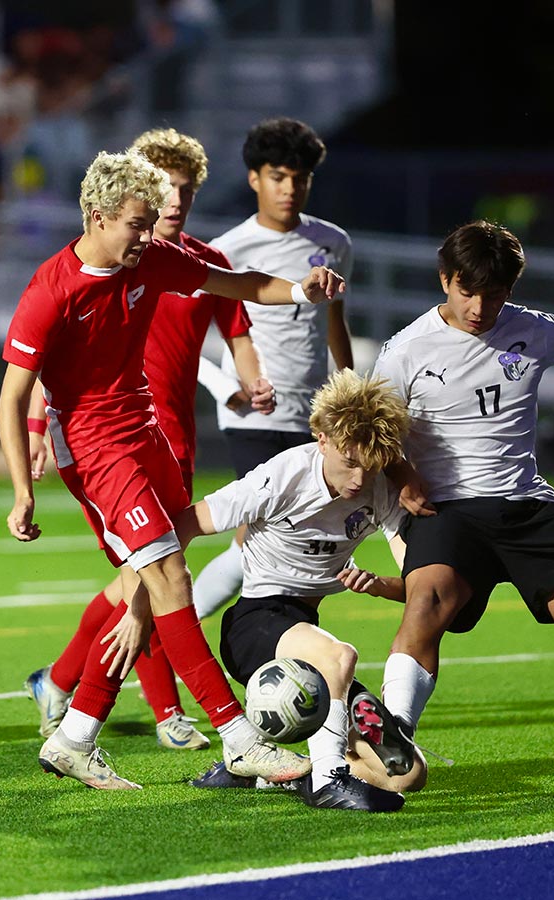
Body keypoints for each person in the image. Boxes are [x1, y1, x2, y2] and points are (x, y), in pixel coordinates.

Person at [0, 147, 344, 790]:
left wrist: (301, 288)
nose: (149, 231)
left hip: (147, 430)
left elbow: (237, 285)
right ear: (98, 216)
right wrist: (23, 490)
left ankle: (74, 735)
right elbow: (13, 395)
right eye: (137, 221)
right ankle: (238, 738)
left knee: (146, 592)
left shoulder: (150, 256)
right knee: (168, 577)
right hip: (98, 450)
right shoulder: (50, 289)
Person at [23, 127, 275, 753]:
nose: (174, 202)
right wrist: (35, 430)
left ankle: (63, 692)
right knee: (155, 578)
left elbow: (237, 318)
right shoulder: (95, 266)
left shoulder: (188, 261)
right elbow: (48, 362)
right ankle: (179, 718)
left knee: (146, 584)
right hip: (107, 448)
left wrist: (249, 383)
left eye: (184, 190)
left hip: (169, 440)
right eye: (163, 191)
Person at [355, 219, 554, 787]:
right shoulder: (404, 350)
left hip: (527, 507)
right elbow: (374, 433)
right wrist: (403, 471)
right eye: (466, 289)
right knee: (427, 603)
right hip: (448, 512)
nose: (479, 306)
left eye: (494, 293)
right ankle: (394, 735)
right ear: (444, 279)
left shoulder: (539, 331)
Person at [177, 369, 427, 812]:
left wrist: (379, 584)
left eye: (368, 467)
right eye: (349, 463)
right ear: (322, 439)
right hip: (254, 625)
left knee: (408, 772)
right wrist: (150, 596)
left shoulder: (380, 490)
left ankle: (277, 775)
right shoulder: (283, 475)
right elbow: (187, 523)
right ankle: (328, 783)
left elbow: (418, 583)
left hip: (304, 630)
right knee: (339, 655)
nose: (357, 479)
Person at [192, 116, 354, 620]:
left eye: (300, 178)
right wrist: (229, 386)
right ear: (254, 179)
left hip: (315, 417)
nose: (290, 189)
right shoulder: (227, 250)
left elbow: (335, 321)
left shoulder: (334, 242)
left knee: (288, 546)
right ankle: (163, 641)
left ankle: (171, 640)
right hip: (256, 415)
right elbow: (188, 339)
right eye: (278, 176)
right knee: (257, 541)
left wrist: (349, 392)